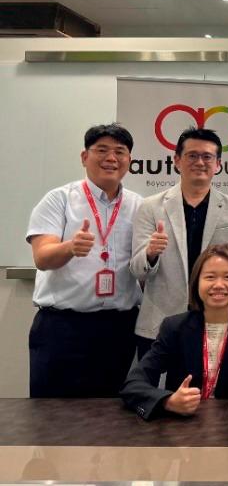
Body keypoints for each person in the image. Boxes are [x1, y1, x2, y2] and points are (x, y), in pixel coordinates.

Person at [26, 123, 142, 397]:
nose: (111, 158)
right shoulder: (59, 200)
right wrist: (70, 247)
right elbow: (42, 258)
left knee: (112, 417)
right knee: (52, 415)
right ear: (84, 157)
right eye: (101, 150)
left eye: (119, 152)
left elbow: (143, 266)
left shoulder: (139, 205)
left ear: (129, 160)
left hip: (119, 327)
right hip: (63, 328)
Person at [121, 244, 228, 420]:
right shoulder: (175, 328)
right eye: (210, 277)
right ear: (197, 283)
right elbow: (134, 383)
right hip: (182, 428)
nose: (219, 285)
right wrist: (168, 401)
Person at [130, 127, 228, 358]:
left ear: (218, 165)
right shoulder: (151, 206)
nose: (200, 162)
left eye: (207, 156)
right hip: (160, 322)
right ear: (177, 161)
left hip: (216, 320)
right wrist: (150, 253)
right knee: (159, 392)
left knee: (210, 393)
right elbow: (137, 269)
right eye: (192, 155)